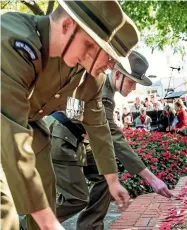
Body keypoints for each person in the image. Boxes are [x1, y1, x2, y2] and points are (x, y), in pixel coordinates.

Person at [1, 1, 133, 230]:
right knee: (5, 212)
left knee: (45, 196)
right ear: (67, 26)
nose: (108, 66)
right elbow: (9, 131)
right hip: (7, 126)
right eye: (92, 45)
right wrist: (50, 224)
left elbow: (98, 125)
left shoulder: (87, 73)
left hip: (30, 127)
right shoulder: (12, 38)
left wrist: (112, 181)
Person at [46, 51, 173, 230]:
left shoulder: (106, 89)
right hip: (60, 137)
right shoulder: (102, 92)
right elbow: (114, 138)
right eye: (131, 81)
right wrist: (151, 179)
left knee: (106, 173)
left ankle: (90, 226)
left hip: (74, 137)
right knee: (76, 198)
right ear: (117, 74)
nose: (133, 88)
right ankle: (31, 224)